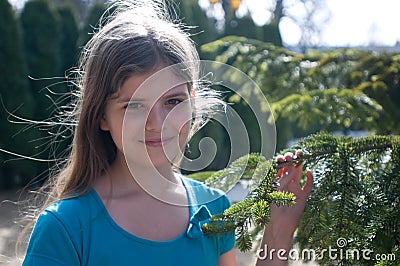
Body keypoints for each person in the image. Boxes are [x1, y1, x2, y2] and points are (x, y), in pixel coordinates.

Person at [21, 1, 313, 265]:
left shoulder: (214, 208)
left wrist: (279, 229)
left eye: (173, 101)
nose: (157, 122)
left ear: (193, 103)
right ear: (101, 116)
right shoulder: (66, 227)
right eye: (134, 105)